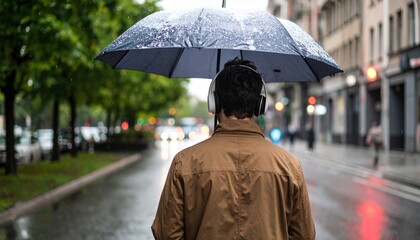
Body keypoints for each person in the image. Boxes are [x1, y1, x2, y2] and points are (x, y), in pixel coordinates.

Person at [151, 58, 315, 239]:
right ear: (260, 104)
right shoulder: (290, 166)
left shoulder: (185, 162)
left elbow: (166, 233)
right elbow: (304, 235)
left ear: (215, 102)